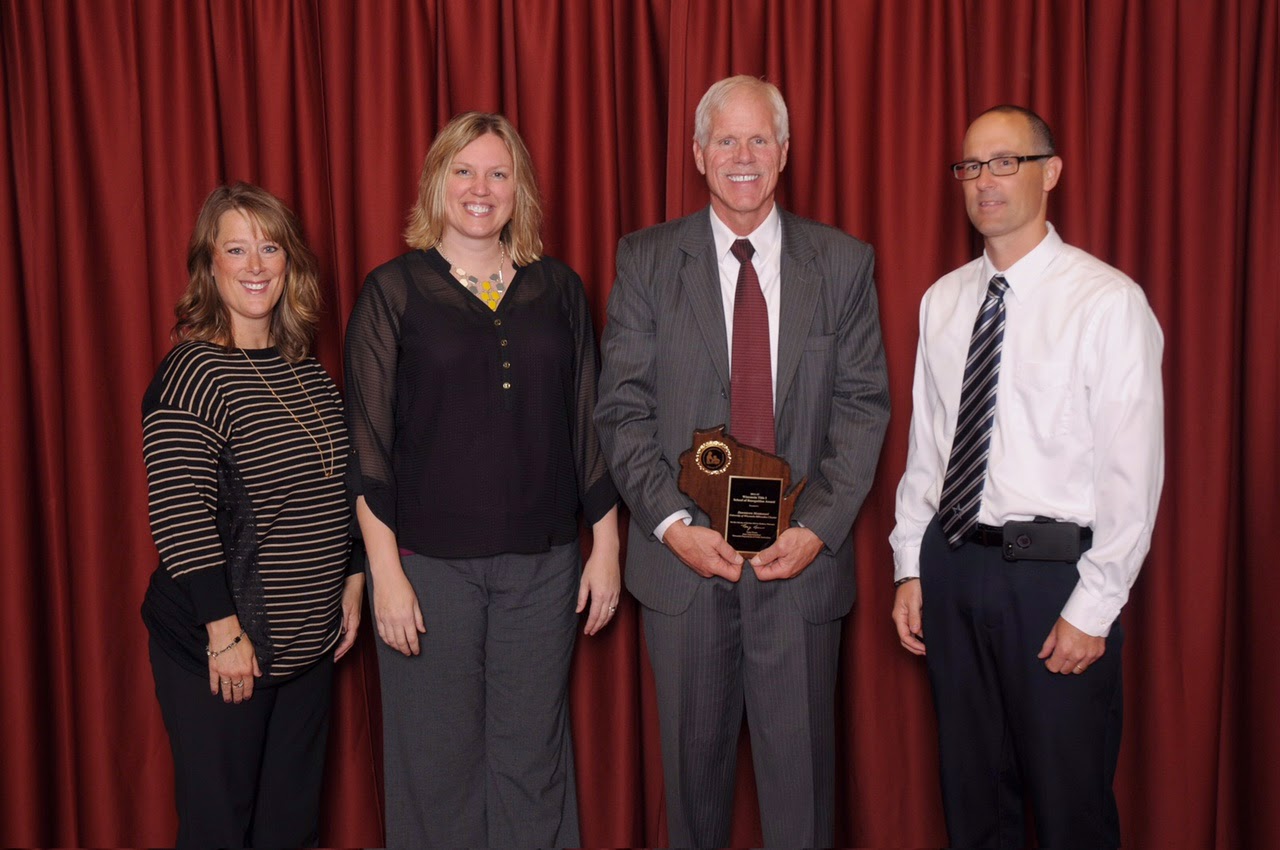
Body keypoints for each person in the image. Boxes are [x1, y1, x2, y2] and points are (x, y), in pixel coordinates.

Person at [595, 75, 890, 848]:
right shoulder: (647, 260)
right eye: (726, 139)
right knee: (692, 804)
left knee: (803, 803)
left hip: (799, 571)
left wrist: (818, 528)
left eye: (760, 138)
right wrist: (671, 527)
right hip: (684, 570)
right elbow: (621, 412)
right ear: (698, 155)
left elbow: (863, 409)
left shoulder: (844, 263)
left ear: (785, 152)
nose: (744, 155)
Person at [343, 112, 621, 848]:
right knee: (437, 765)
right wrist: (385, 576)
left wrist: (606, 547)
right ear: (437, 183)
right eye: (463, 171)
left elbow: (588, 423)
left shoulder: (559, 289)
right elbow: (366, 452)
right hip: (428, 570)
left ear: (518, 189)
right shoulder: (392, 293)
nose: (480, 188)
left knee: (532, 759)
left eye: (498, 173)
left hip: (545, 565)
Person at [889, 105, 1164, 848]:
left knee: (1070, 806)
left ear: (1051, 172)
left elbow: (1132, 473)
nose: (985, 181)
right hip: (953, 572)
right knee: (974, 806)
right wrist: (912, 567)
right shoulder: (943, 301)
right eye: (972, 166)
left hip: (1053, 583)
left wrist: (1095, 605)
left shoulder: (1108, 302)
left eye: (1005, 161)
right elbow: (930, 450)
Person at [141, 182, 364, 848]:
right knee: (219, 830)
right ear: (210, 267)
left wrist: (352, 576)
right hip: (224, 648)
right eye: (235, 249)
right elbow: (179, 512)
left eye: (269, 247)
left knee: (289, 831)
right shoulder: (192, 371)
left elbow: (339, 483)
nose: (255, 265)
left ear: (290, 260)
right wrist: (223, 633)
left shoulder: (305, 370)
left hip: (306, 650)